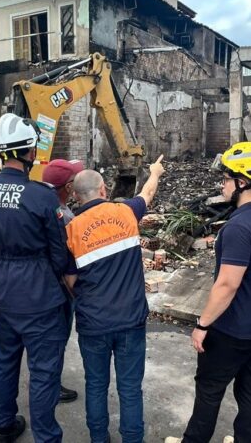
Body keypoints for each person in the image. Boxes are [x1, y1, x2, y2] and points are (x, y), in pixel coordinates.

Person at [166, 142, 251, 443]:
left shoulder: (238, 227)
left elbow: (228, 284)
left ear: (242, 182)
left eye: (226, 179)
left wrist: (202, 325)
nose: (222, 184)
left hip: (233, 328)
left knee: (209, 388)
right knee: (250, 384)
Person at [0, 113, 69, 443]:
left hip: (0, 289)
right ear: (29, 152)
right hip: (37, 294)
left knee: (6, 360)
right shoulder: (41, 196)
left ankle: (5, 424)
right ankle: (46, 436)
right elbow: (59, 254)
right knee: (43, 372)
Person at [63, 156, 165, 443]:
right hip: (130, 320)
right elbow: (148, 194)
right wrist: (154, 171)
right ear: (104, 190)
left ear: (75, 196)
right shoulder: (126, 212)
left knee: (95, 385)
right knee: (130, 389)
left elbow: (70, 281)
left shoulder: (71, 230)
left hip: (93, 323)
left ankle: (99, 439)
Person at [42, 158, 86, 404]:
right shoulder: (66, 217)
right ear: (69, 187)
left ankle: (48, 381)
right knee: (56, 339)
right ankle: (52, 385)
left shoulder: (40, 208)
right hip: (61, 288)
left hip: (39, 286)